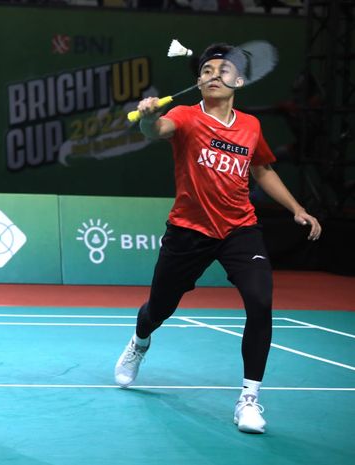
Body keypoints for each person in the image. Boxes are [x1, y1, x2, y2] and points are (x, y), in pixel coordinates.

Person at [114, 43, 322, 434]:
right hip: (189, 231)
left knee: (261, 303)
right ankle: (140, 342)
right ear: (198, 82)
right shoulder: (186, 116)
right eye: (206, 70)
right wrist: (146, 116)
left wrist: (296, 208)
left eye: (222, 69)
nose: (214, 74)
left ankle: (249, 399)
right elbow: (156, 130)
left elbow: (261, 170)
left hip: (239, 229)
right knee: (159, 307)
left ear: (239, 81)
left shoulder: (250, 126)